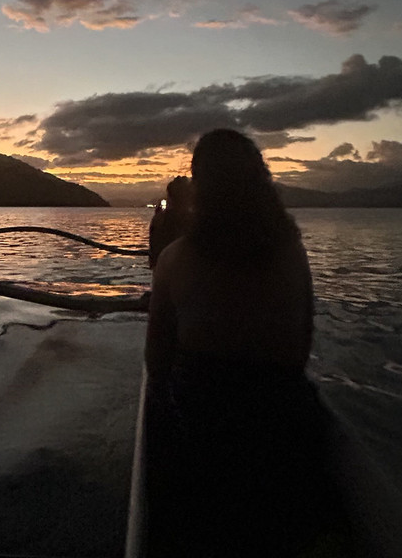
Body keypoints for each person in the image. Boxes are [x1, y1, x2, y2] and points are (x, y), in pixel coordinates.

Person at [143, 129, 334, 556]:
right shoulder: (292, 251)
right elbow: (301, 350)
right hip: (284, 426)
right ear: (260, 181)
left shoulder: (174, 260)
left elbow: (156, 365)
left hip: (204, 433)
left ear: (200, 188)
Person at [147, 175, 192, 269]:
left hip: (162, 270)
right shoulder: (190, 219)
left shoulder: (158, 218)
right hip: (180, 270)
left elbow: (153, 256)